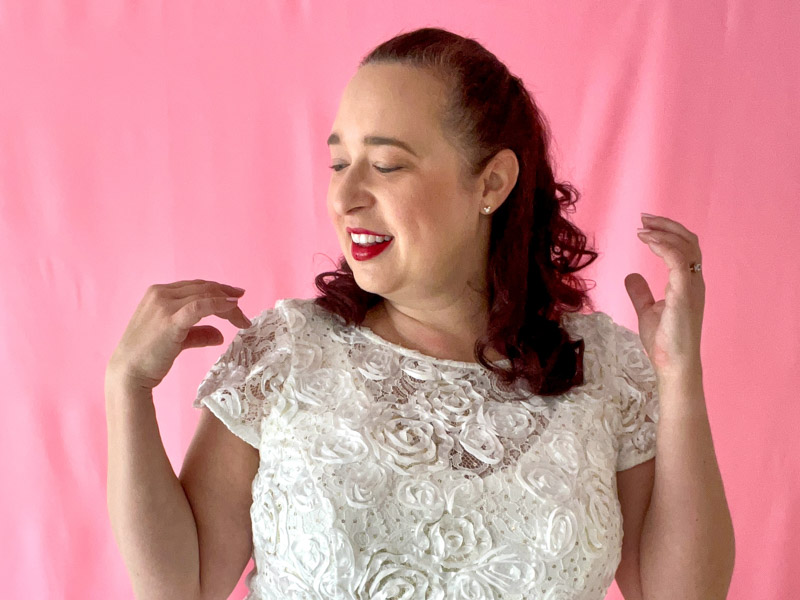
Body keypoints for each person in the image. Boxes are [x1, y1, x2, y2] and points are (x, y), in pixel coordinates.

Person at [106, 26, 698, 600]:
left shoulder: (604, 368)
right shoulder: (285, 353)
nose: (345, 197)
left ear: (491, 181)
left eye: (386, 165)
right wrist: (126, 388)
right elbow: (183, 586)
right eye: (339, 164)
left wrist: (680, 375)